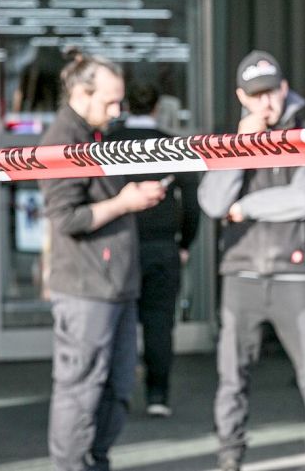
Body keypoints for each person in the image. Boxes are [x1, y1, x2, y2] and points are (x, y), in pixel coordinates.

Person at [197, 50, 305, 471]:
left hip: (295, 275)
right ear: (243, 96)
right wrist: (240, 148)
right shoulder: (232, 140)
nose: (266, 103)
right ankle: (229, 459)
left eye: (271, 92)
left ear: (284, 88)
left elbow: (302, 199)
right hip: (240, 274)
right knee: (231, 380)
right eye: (256, 95)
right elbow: (211, 202)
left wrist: (244, 208)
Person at [40, 50, 165, 471]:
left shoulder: (93, 137)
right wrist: (124, 202)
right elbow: (66, 218)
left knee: (117, 387)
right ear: (81, 93)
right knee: (81, 389)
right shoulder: (62, 141)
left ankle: (94, 460)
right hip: (86, 290)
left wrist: (127, 200)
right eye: (110, 102)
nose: (117, 112)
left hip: (114, 287)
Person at [107, 82, 200, 418]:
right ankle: (158, 396)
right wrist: (185, 243)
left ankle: (117, 393)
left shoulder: (109, 143)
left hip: (118, 245)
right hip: (162, 246)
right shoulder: (172, 145)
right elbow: (191, 203)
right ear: (158, 107)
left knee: (118, 322)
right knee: (159, 322)